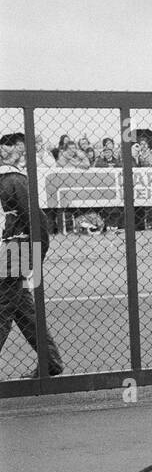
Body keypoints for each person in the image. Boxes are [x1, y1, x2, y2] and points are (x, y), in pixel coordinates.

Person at [0, 134, 64, 376]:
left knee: (3, 307)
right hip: (16, 249)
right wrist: (38, 252)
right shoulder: (15, 179)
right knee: (20, 309)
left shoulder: (12, 179)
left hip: (13, 249)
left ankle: (51, 363)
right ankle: (51, 363)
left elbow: (36, 218)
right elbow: (36, 219)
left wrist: (37, 252)